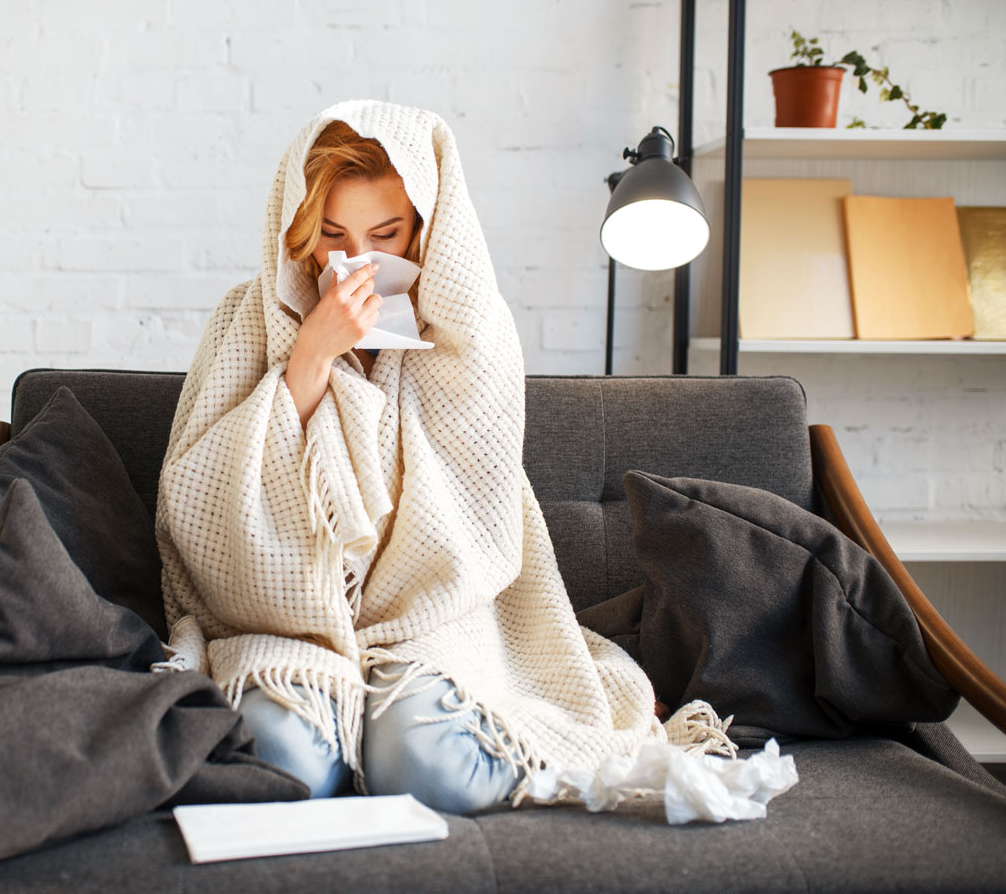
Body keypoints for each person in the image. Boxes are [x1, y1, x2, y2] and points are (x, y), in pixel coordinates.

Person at [152, 100, 736, 816]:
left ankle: (388, 735)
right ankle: (336, 728)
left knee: (423, 762)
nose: (354, 261)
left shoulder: (473, 334)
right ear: (299, 229)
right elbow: (202, 504)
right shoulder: (247, 318)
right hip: (284, 623)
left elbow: (468, 517)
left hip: (435, 621)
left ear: (429, 231)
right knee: (284, 762)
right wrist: (310, 358)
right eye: (332, 235)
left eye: (385, 234)